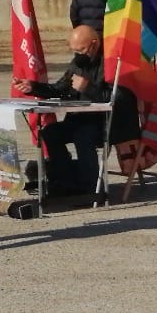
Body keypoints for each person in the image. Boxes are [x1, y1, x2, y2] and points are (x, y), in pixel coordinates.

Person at [30, 25, 109, 194]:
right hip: (76, 118)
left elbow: (115, 98)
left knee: (83, 135)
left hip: (101, 123)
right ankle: (64, 179)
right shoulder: (78, 63)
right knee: (50, 132)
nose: (77, 54)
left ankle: (90, 185)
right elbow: (59, 88)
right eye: (74, 51)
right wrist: (32, 87)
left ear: (94, 44)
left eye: (81, 50)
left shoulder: (109, 63)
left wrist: (87, 88)